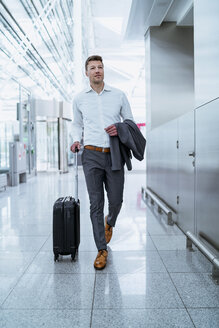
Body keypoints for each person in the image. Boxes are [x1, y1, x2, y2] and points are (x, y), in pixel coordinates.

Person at [70, 55, 134, 270]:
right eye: (92, 68)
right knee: (95, 203)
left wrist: (121, 128)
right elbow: (76, 124)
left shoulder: (118, 95)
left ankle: (111, 221)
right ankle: (101, 249)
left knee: (116, 200)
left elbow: (131, 122)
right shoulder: (79, 99)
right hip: (91, 155)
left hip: (114, 153)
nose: (97, 70)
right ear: (86, 72)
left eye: (100, 67)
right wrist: (76, 140)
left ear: (103, 71)